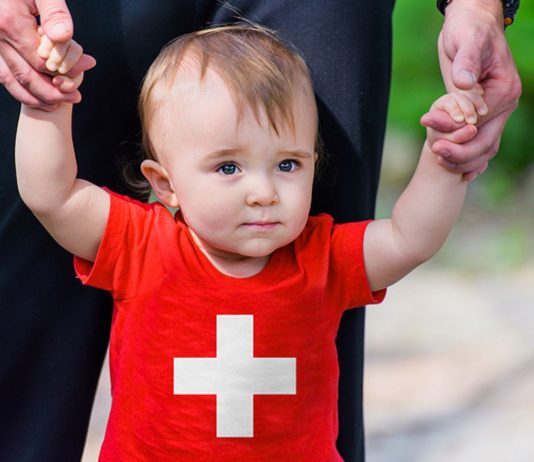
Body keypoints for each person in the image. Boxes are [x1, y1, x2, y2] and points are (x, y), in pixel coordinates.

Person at [0, 1, 521, 461]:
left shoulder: (321, 258)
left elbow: (411, 238)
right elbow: (53, 195)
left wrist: (444, 161)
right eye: (228, 168)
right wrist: (46, 106)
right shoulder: (140, 245)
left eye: (288, 165)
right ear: (165, 183)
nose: (263, 192)